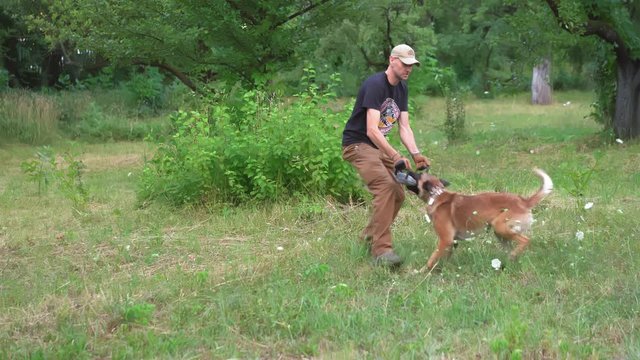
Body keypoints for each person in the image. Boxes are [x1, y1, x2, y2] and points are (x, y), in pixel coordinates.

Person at [341, 44, 431, 267]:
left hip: (377, 147)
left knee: (398, 195)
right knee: (386, 186)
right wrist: (395, 154)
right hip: (358, 144)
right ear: (392, 60)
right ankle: (381, 251)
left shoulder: (401, 88)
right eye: (404, 64)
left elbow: (404, 127)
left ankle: (368, 239)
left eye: (412, 65)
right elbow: (372, 129)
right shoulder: (375, 84)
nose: (408, 69)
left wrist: (416, 154)